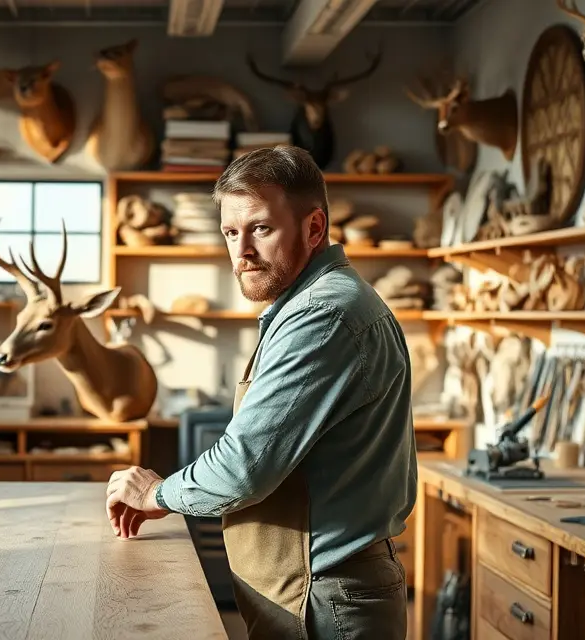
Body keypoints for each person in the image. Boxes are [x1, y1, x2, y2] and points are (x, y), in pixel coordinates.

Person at [105, 145, 417, 640]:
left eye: (261, 229)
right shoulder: (316, 303)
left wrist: (156, 493)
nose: (242, 251)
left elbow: (244, 466)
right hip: (313, 592)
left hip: (323, 600)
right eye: (231, 232)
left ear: (314, 228)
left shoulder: (322, 315)